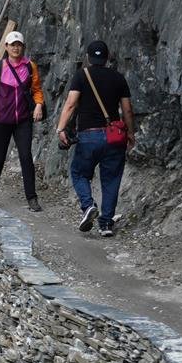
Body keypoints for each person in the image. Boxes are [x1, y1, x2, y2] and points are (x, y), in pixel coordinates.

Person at [54, 39, 133, 237]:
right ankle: (106, 224)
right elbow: (127, 110)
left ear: (88, 57)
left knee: (79, 173)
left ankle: (88, 205)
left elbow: (71, 104)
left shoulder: (82, 75)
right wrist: (130, 133)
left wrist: (61, 128)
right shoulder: (118, 78)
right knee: (111, 179)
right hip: (114, 137)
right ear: (107, 58)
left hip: (88, 135)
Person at [0, 30, 44, 212]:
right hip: (1, 120)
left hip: (23, 120)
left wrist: (38, 104)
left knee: (26, 158)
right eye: (12, 44)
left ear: (23, 47)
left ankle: (32, 198)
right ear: (6, 47)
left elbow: (37, 89)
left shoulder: (30, 67)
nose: (16, 48)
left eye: (19, 45)